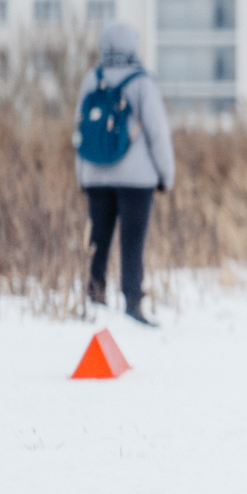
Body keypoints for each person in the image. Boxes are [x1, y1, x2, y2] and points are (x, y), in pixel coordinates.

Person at [73, 19, 175, 326]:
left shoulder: (92, 79)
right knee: (132, 242)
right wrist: (166, 176)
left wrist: (82, 176)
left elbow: (79, 131)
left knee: (98, 241)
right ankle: (132, 303)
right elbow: (158, 134)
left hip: (95, 177)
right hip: (137, 179)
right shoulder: (142, 82)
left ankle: (95, 297)